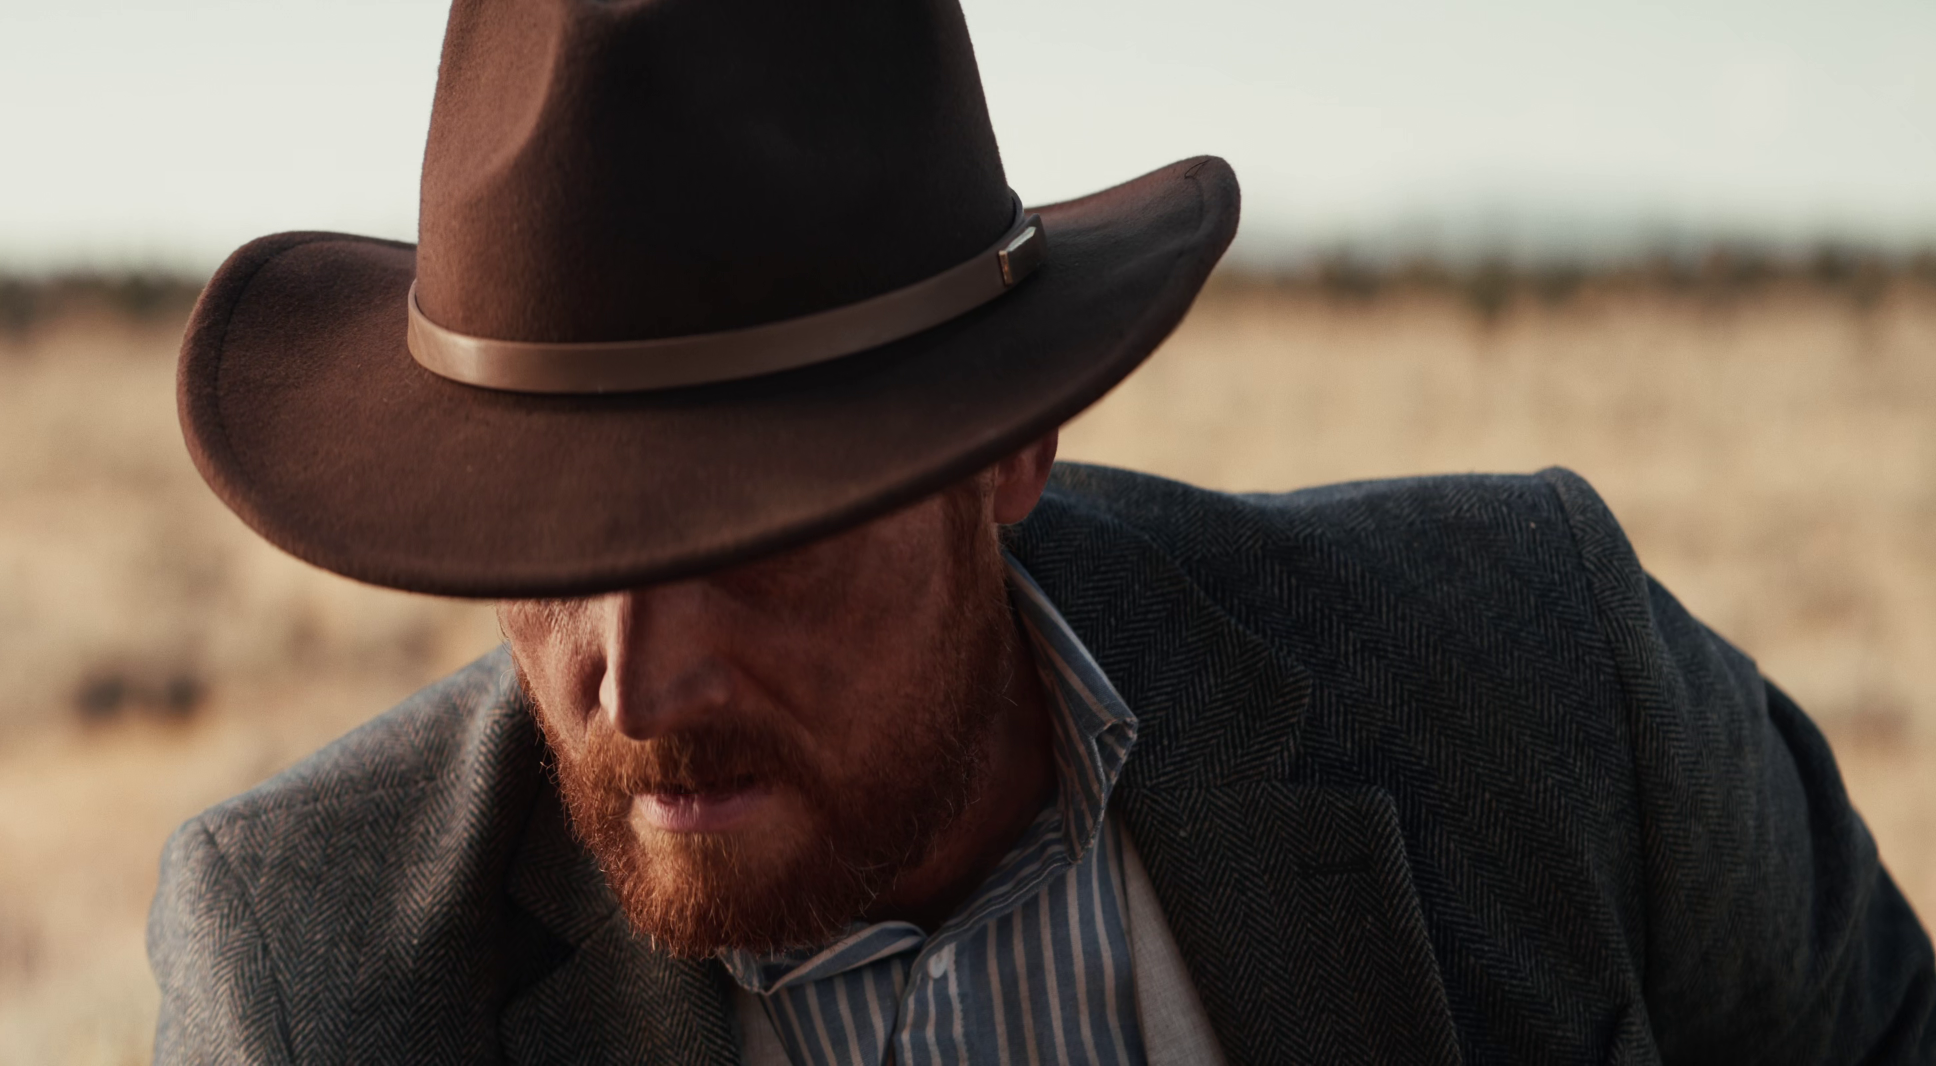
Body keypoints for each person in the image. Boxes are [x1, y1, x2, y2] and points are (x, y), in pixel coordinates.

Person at [148, 0, 1935, 1061]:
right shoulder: (324, 980)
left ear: (1008, 450)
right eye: (543, 551)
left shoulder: (1532, 682)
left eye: (755, 532)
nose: (637, 674)